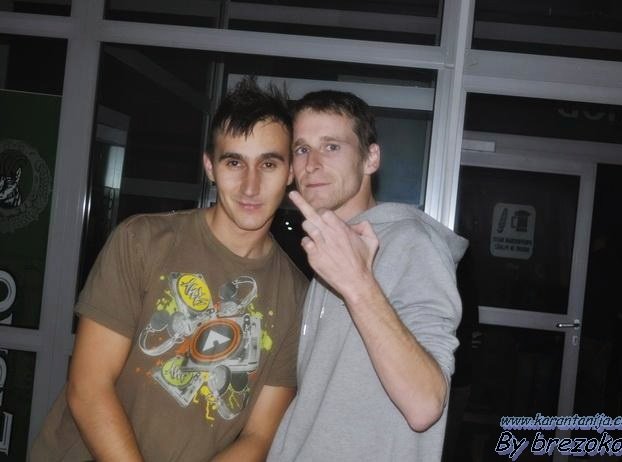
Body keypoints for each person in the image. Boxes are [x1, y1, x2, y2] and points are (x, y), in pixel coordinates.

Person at [30, 77, 307, 462]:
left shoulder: (297, 295)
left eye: (269, 164)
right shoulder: (142, 241)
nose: (250, 185)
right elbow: (89, 387)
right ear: (210, 166)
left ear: (290, 172)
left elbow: (259, 437)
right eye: (234, 162)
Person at [267, 90, 468, 462]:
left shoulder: (412, 243)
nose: (311, 164)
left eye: (331, 147)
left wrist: (358, 284)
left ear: (370, 158)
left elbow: (426, 405)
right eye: (301, 149)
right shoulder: (330, 248)